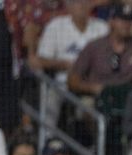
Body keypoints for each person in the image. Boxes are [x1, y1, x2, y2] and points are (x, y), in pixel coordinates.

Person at [34, 0, 109, 128]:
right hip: (61, 83)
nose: (81, 6)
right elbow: (41, 60)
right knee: (51, 101)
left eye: (85, 3)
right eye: (77, 3)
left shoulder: (102, 27)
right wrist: (65, 64)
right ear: (69, 6)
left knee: (93, 108)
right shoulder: (56, 26)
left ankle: (95, 146)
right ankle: (47, 139)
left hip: (90, 83)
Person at [67, 4, 132, 97]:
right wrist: (92, 88)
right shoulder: (95, 46)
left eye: (129, 20)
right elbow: (72, 80)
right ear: (112, 21)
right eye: (122, 20)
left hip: (126, 98)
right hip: (96, 97)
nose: (126, 24)